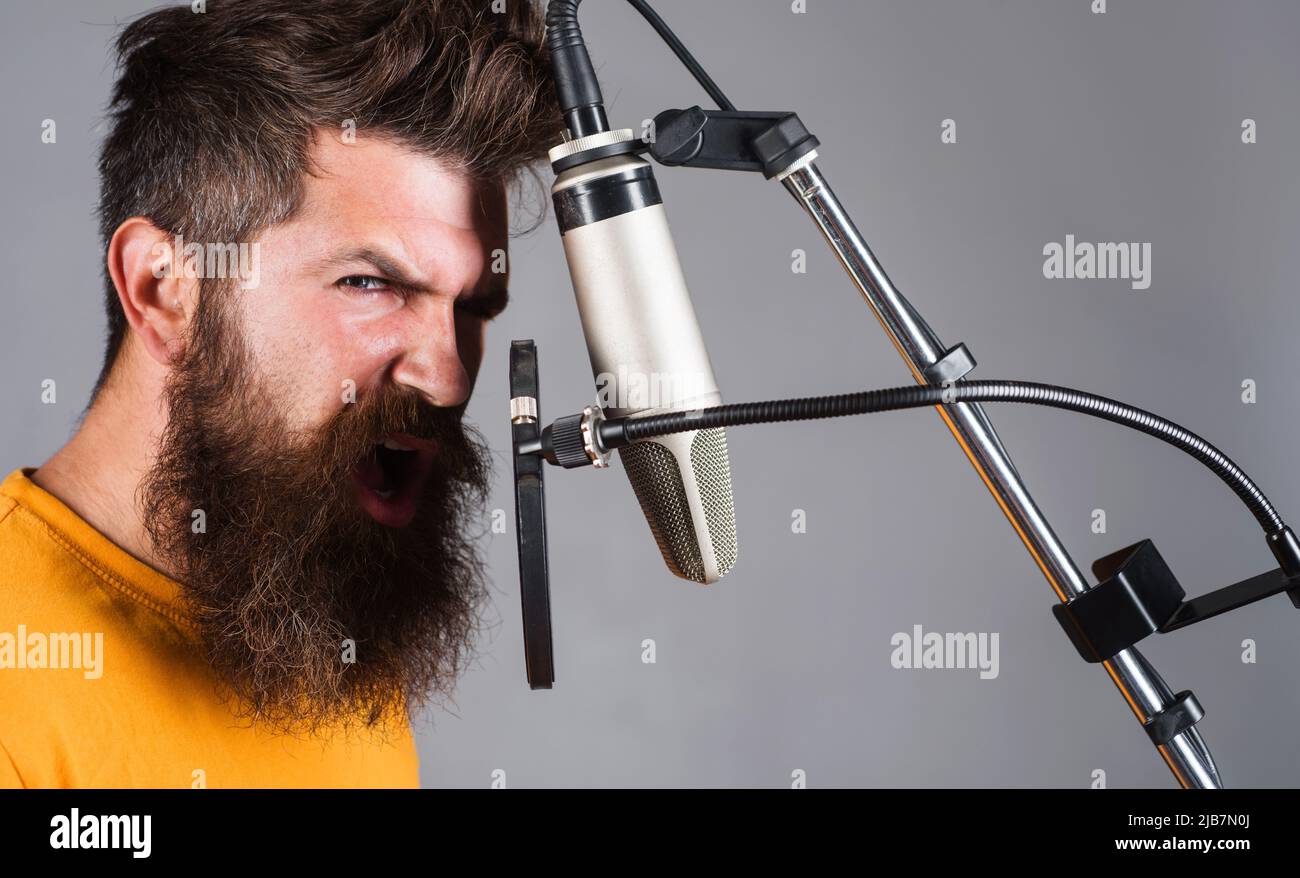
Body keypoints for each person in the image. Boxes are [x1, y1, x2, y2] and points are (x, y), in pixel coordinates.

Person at [0, 0, 562, 787]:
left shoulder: (310, 617)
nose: (448, 377)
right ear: (165, 291)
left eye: (471, 308)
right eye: (370, 283)